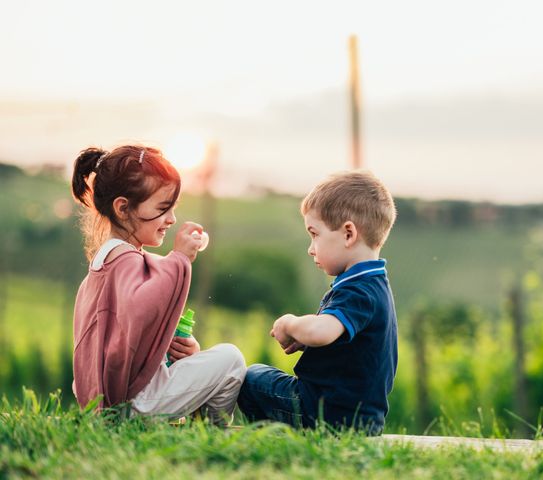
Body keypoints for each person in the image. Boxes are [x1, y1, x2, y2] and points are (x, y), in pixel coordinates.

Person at [71, 144, 246, 424]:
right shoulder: (125, 260)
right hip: (136, 405)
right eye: (163, 208)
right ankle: (214, 433)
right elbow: (143, 310)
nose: (171, 219)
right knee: (231, 359)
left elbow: (129, 333)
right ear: (123, 208)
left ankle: (198, 425)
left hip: (109, 405)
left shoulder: (104, 265)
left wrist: (175, 348)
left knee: (208, 359)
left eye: (173, 208)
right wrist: (179, 260)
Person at [237, 170, 398, 435]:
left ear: (348, 234)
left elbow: (320, 331)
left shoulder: (359, 289)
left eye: (315, 234)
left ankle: (272, 438)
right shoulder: (373, 284)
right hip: (360, 420)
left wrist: (289, 324)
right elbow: (340, 343)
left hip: (325, 414)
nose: (311, 248)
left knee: (253, 379)